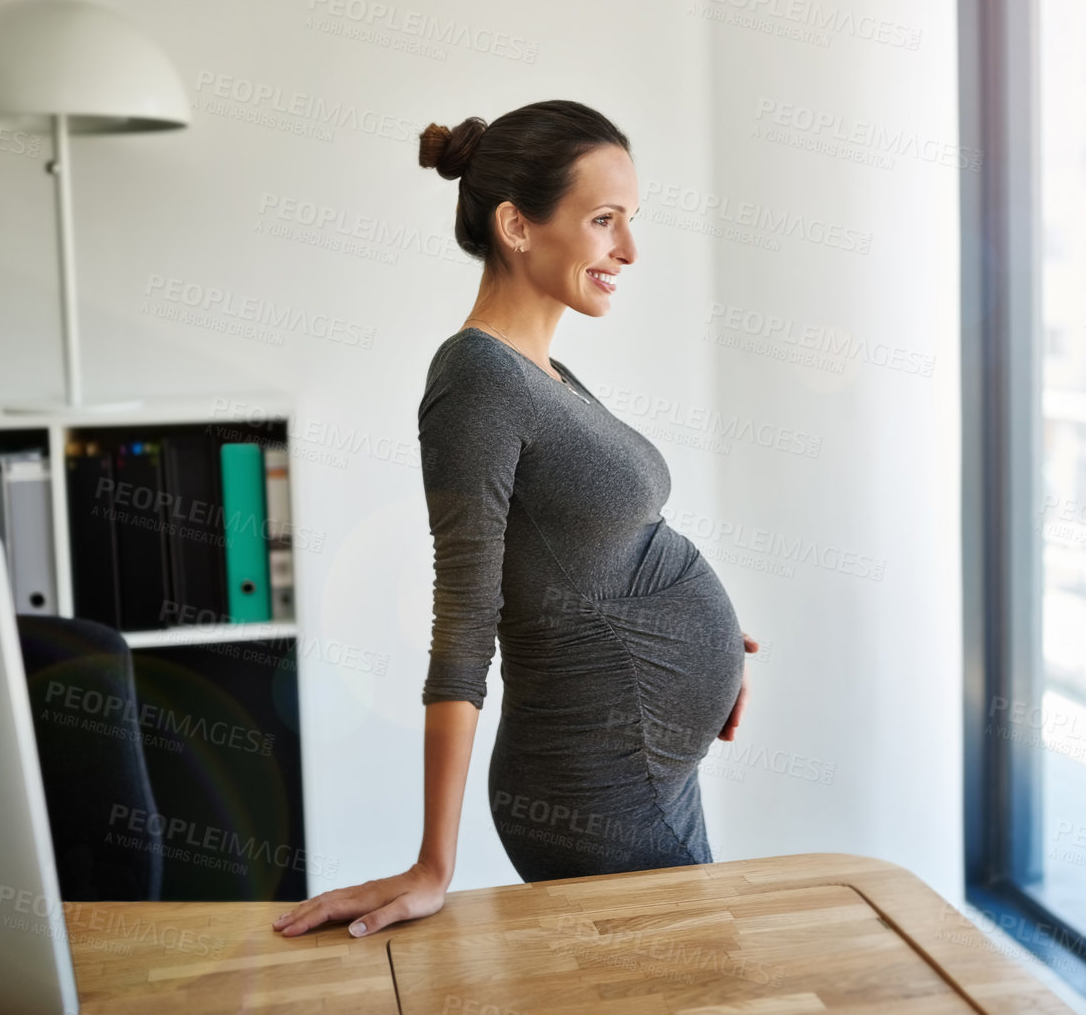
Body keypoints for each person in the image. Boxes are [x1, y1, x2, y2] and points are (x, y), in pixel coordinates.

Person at [273, 99, 757, 940]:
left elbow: (583, 551)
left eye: (630, 221)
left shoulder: (545, 370)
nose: (628, 250)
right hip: (593, 780)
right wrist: (432, 865)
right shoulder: (476, 381)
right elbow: (465, 618)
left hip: (640, 759)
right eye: (604, 221)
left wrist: (705, 636)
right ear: (516, 225)